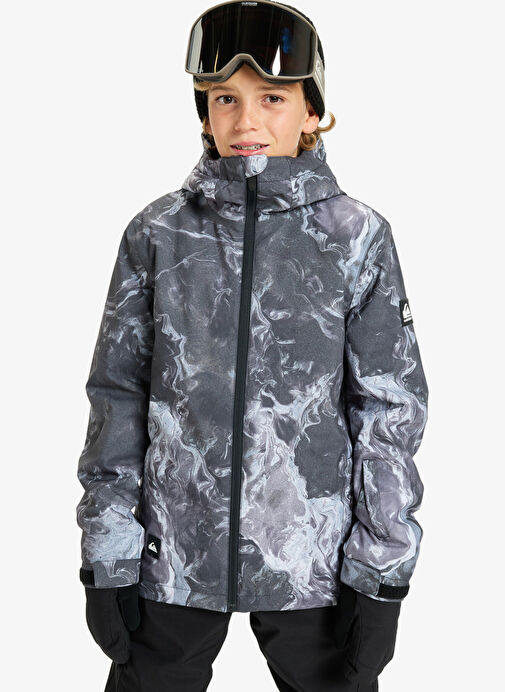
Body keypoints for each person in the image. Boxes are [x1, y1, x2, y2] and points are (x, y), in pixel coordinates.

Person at [75, 2, 429, 690]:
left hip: (314, 564)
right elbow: (117, 397)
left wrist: (380, 570)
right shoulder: (157, 234)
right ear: (203, 113)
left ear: (312, 111)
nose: (246, 122)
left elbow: (388, 410)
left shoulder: (356, 238)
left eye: (272, 97)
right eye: (223, 99)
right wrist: (108, 551)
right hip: (171, 556)